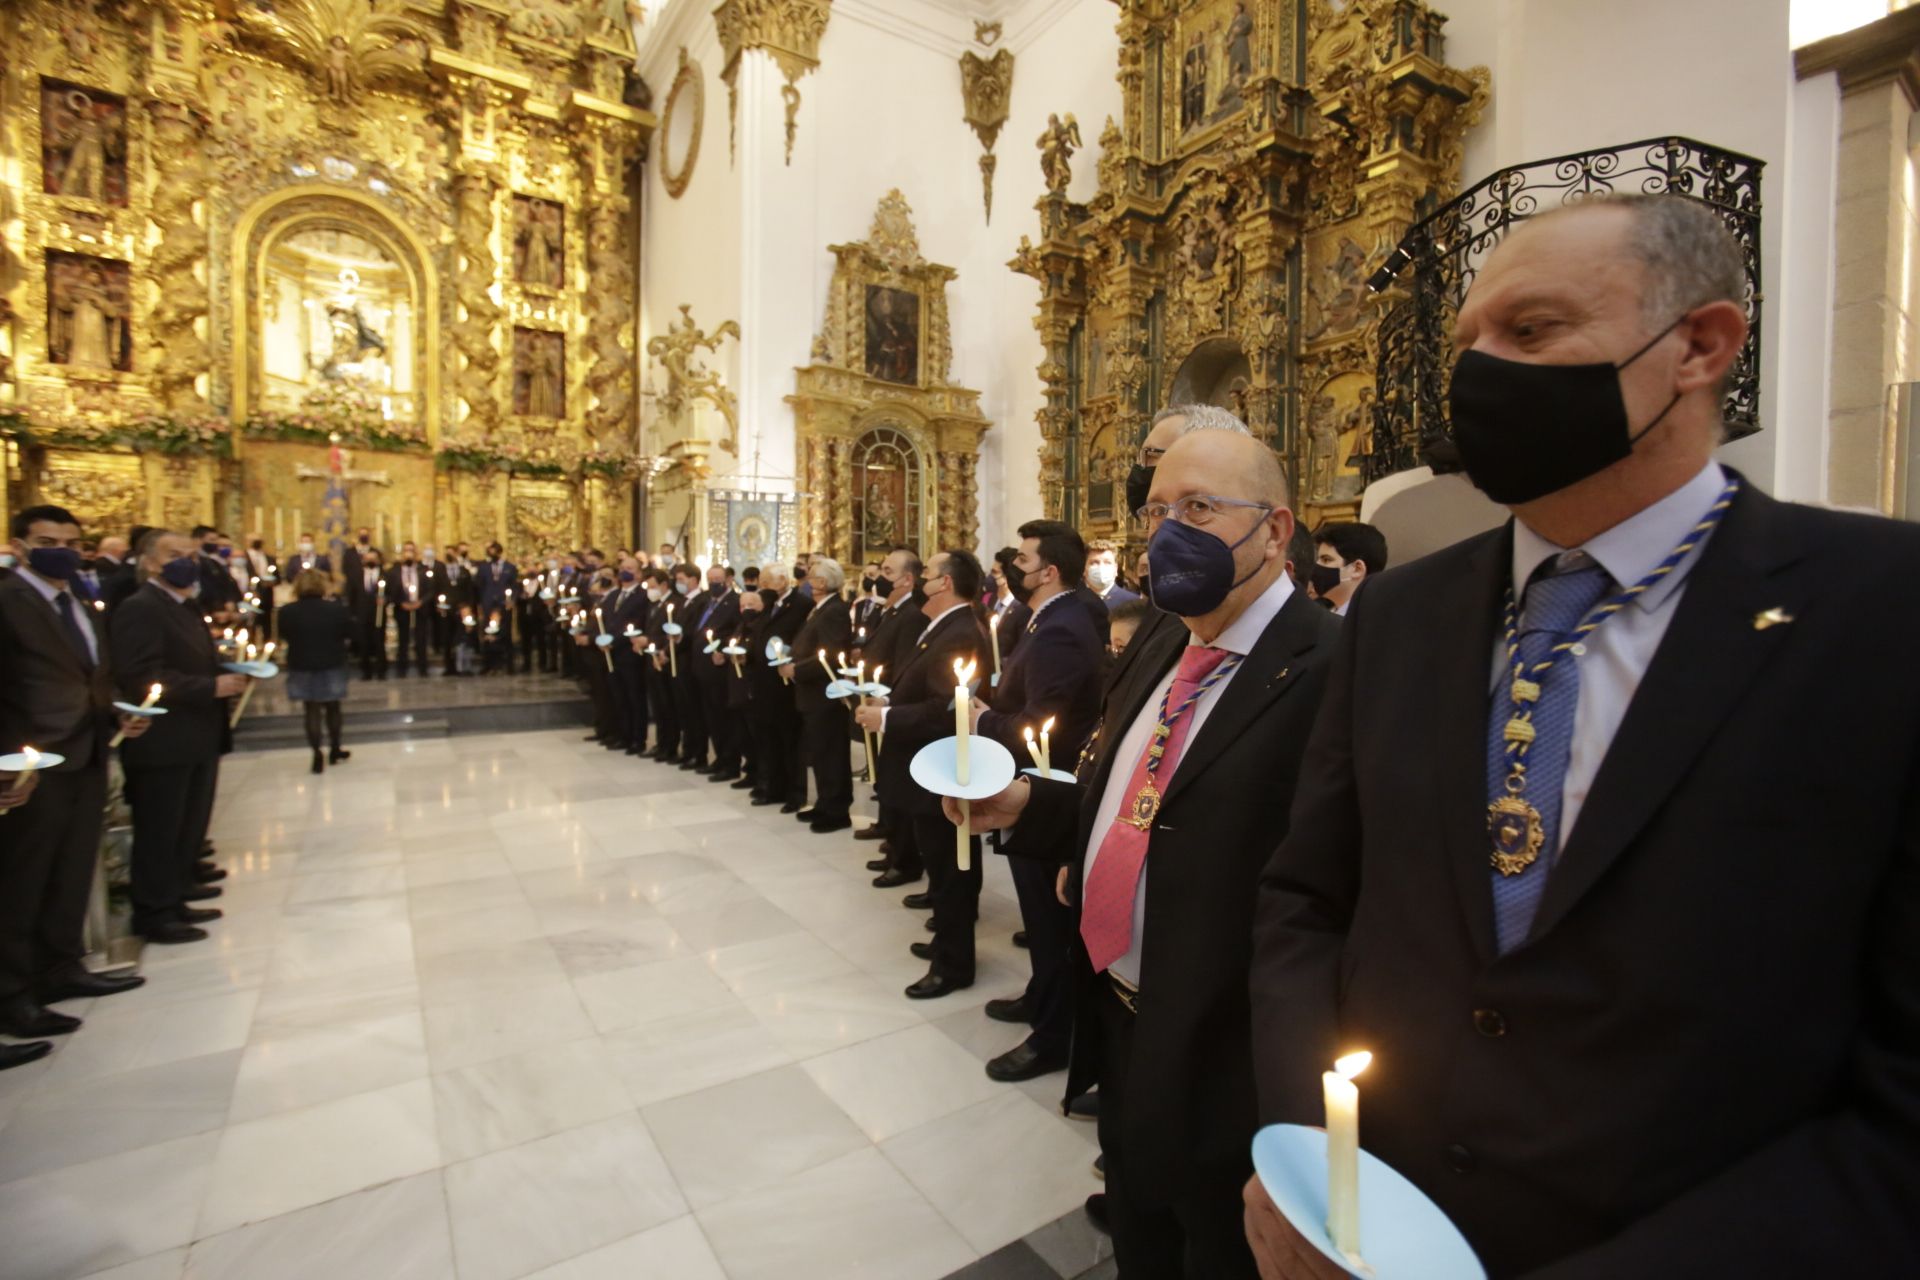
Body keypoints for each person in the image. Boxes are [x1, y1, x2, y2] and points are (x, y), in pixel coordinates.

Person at [1245, 194, 1920, 1277]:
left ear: (1698, 346)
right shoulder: (1402, 615)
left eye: (1532, 330)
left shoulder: (1880, 614)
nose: (1478, 371)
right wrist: (1312, 1166)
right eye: (1467, 341)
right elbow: (1306, 900)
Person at [963, 430, 1335, 1276]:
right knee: (1141, 1235)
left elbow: (1335, 892)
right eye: (1157, 511)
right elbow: (1130, 797)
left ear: (1275, 531)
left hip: (1228, 1050)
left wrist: (1300, 1124)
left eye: (1200, 509)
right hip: (1122, 1014)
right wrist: (1024, 803)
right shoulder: (1165, 639)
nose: (1168, 532)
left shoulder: (1336, 667)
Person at [0, 505, 151, 1057]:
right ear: (20, 545)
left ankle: (62, 967)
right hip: (31, 761)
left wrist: (117, 712)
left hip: (86, 750)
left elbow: (94, 674)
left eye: (69, 540)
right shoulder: (7, 598)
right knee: (23, 878)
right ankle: (14, 993)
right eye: (47, 540)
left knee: (71, 866)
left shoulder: (82, 601)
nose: (60, 549)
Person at [973, 518, 1107, 1081]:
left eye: (1023, 560)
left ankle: (1054, 1035)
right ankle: (1041, 995)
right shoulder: (1058, 614)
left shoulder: (1061, 627)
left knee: (1050, 920)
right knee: (1040, 914)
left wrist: (985, 718)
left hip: (1045, 784)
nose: (1013, 567)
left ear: (1048, 571)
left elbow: (1042, 724)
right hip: (1042, 781)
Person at [856, 551, 989, 997]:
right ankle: (947, 943)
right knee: (942, 868)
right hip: (924, 766)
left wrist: (888, 719)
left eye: (928, 574)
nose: (920, 582)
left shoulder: (959, 633)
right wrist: (889, 704)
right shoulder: (939, 627)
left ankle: (953, 965)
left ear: (944, 584)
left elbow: (944, 711)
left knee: (950, 869)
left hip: (939, 767)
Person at [113, 529, 247, 945]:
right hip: (164, 738)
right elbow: (141, 677)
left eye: (191, 554)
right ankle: (154, 912)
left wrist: (223, 676)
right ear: (150, 561)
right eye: (175, 555)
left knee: (187, 824)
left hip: (196, 734)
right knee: (160, 829)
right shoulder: (141, 608)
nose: (186, 562)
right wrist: (211, 688)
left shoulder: (184, 605)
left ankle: (177, 894)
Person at [854, 548, 927, 880]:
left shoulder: (911, 613)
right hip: (881, 701)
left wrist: (886, 698)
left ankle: (904, 857)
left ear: (907, 579)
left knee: (899, 784)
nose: (879, 578)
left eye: (887, 571)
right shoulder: (892, 610)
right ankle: (894, 848)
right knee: (888, 779)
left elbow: (901, 665)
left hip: (894, 704)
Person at [791, 556, 853, 833]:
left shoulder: (835, 610)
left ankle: (837, 809)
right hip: (812, 695)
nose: (807, 582)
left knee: (831, 753)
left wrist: (797, 670)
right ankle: (824, 802)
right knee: (818, 751)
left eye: (812, 577)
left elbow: (829, 656)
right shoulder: (821, 609)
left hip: (824, 695)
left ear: (823, 582)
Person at [277, 569, 353, 773]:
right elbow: (348, 633)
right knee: (333, 707)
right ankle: (335, 749)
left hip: (301, 663)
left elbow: (285, 635)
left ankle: (316, 753)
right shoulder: (336, 609)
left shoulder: (286, 611)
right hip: (331, 662)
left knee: (310, 709)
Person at [753, 568, 813, 810]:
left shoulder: (801, 604)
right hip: (763, 682)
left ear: (783, 581)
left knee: (790, 740)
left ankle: (795, 794)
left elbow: (800, 639)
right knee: (768, 738)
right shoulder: (769, 603)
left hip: (785, 683)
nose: (763, 586)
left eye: (768, 581)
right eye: (761, 582)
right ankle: (772, 787)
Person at [692, 562, 742, 781]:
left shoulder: (735, 602)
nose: (714, 585)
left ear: (728, 580)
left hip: (719, 667)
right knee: (710, 716)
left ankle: (730, 762)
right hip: (702, 668)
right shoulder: (706, 601)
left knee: (724, 718)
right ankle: (719, 758)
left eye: (718, 581)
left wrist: (722, 648)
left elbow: (737, 632)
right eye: (710, 580)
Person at [666, 563, 709, 769]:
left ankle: (698, 753)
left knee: (694, 711)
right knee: (683, 709)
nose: (678, 583)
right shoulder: (682, 601)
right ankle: (688, 749)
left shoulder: (702, 601)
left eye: (681, 579)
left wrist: (681, 637)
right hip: (680, 661)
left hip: (692, 661)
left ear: (693, 579)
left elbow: (696, 630)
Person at [1307, 521, 1387, 616]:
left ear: (1357, 569)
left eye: (1326, 560)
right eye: (1318, 560)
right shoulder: (1321, 616)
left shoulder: (1374, 620)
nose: (1316, 566)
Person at [344, 544, 390, 680]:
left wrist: (386, 599)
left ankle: (381, 670)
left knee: (379, 641)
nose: (370, 561)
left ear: (378, 560)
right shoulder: (356, 575)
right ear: (363, 560)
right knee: (363, 643)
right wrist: (352, 614)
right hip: (361, 613)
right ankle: (366, 671)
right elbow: (351, 595)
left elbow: (393, 592)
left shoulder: (385, 575)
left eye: (373, 558)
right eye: (368, 558)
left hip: (379, 613)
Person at [388, 541, 432, 676]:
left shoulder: (423, 570)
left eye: (411, 551)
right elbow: (390, 590)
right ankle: (402, 669)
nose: (408, 554)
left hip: (420, 609)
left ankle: (423, 668)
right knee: (403, 640)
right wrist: (401, 603)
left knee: (421, 639)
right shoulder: (394, 571)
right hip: (402, 609)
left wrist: (421, 602)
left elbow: (431, 589)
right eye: (406, 551)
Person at [474, 541, 519, 667]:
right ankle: (488, 664)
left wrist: (512, 600)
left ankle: (508, 664)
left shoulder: (510, 568)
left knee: (506, 633)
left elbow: (514, 586)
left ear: (499, 552)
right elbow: (479, 585)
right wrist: (481, 602)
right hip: (488, 603)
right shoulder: (483, 567)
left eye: (493, 551)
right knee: (487, 633)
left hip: (504, 604)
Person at [1086, 540, 1141, 610]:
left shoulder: (1133, 602)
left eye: (1107, 562)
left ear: (1115, 569)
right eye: (1094, 563)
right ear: (1084, 569)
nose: (1101, 567)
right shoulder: (1072, 602)